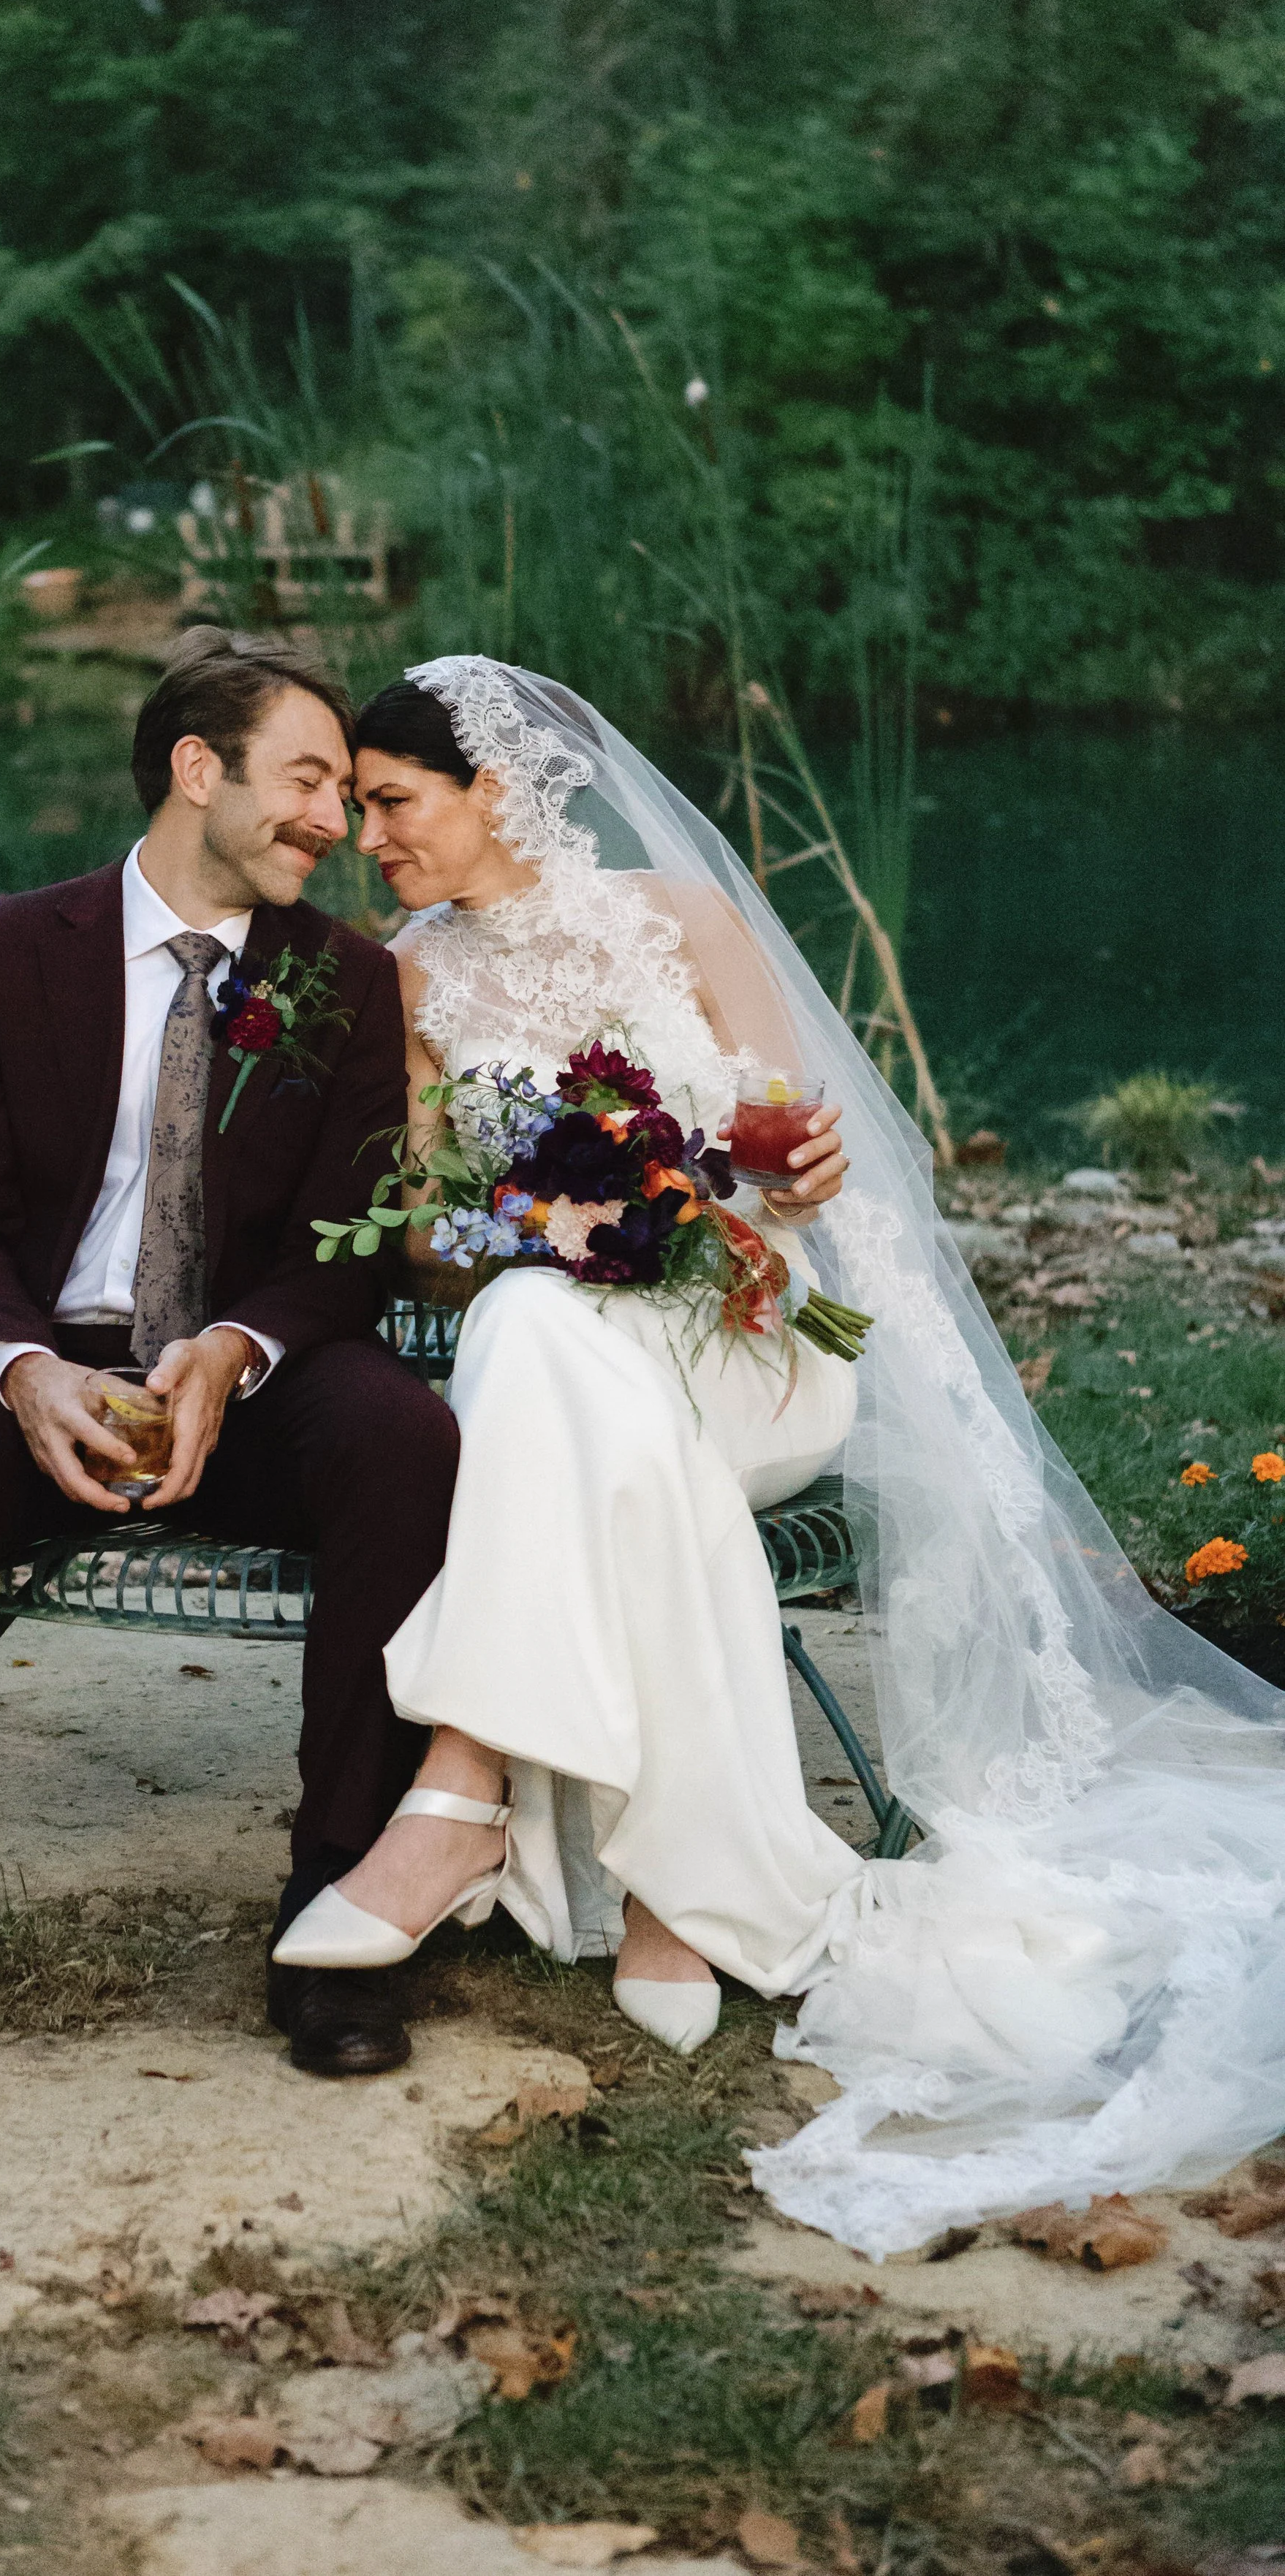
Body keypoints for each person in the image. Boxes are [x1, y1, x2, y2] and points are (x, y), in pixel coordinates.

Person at [276, 656, 1285, 2257]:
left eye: (390, 802)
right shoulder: (404, 976)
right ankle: (673, 1876)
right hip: (557, 1345)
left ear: (492, 788)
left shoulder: (682, 924)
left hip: (744, 1337)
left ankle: (458, 1794)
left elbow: (791, 1151)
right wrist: (532, 1222)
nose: (365, 838)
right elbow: (421, 1240)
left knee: (560, 1360)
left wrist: (781, 1184)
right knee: (538, 1330)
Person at [0, 628, 457, 2082]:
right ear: (196, 769)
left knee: (406, 1448)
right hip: (41, 1354)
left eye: (345, 793)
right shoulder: (2, 954)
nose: (335, 823)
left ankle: (332, 1896)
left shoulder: (342, 980)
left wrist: (235, 1350)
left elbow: (344, 1238)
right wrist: (22, 1369)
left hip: (251, 1374)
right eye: (308, 781)